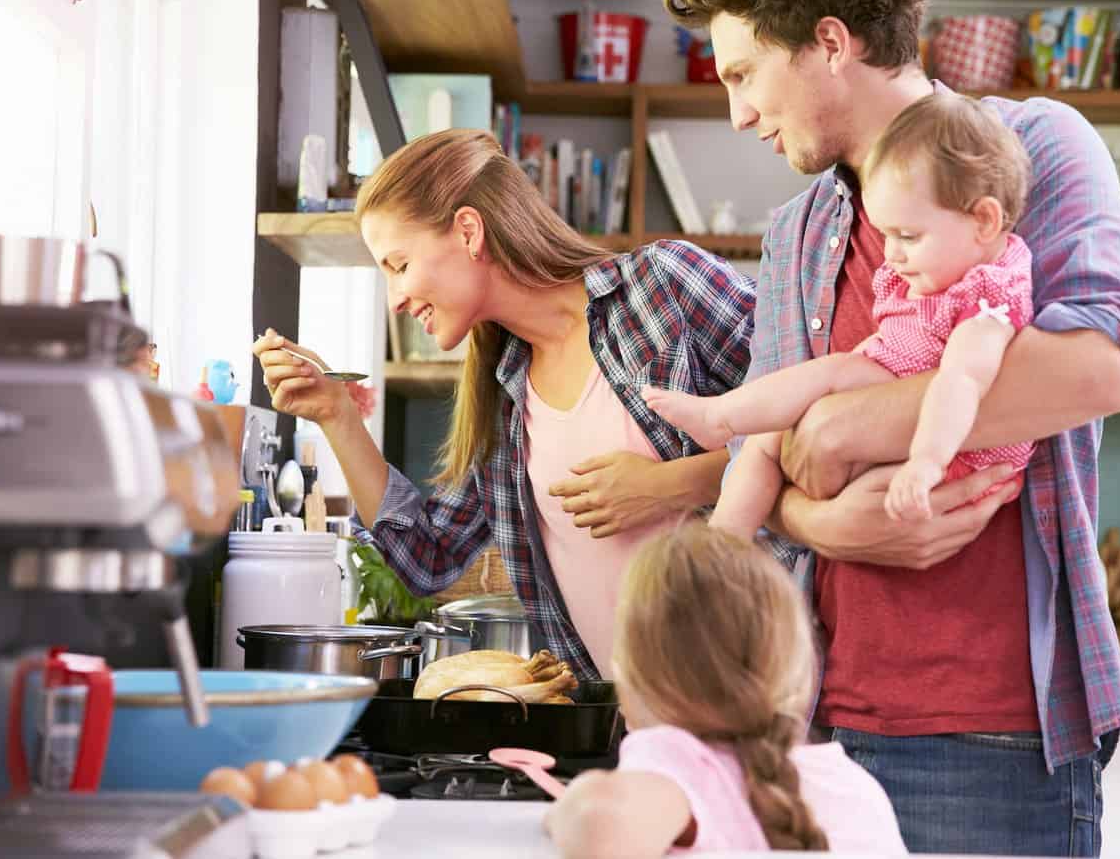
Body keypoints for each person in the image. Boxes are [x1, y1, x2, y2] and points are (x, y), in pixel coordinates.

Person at [664, 0, 1120, 855]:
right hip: (812, 727)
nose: (737, 115)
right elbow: (762, 459)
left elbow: (1104, 365)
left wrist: (848, 423)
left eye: (744, 75)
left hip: (994, 736)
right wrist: (824, 524)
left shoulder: (1029, 148)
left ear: (828, 42)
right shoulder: (799, 228)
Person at [253, 129, 758, 681]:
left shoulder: (663, 288)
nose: (395, 299)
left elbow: (809, 433)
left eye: (399, 265)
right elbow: (429, 557)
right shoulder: (502, 395)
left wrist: (667, 486)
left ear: (468, 231)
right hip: (627, 723)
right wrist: (336, 415)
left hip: (754, 701)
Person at [645, 94, 1035, 536]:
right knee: (766, 438)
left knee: (836, 374)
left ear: (984, 221)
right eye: (886, 234)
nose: (893, 254)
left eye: (908, 236)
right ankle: (723, 539)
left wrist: (927, 461)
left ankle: (723, 421)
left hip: (950, 457)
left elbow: (961, 383)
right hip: (898, 429)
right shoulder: (935, 271)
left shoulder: (990, 296)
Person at [544, 520, 905, 857]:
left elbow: (597, 821)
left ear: (634, 675)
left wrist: (558, 814)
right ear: (793, 666)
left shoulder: (677, 760)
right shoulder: (851, 785)